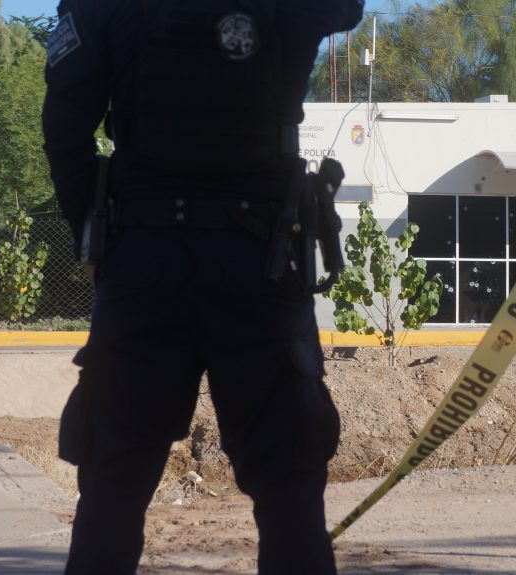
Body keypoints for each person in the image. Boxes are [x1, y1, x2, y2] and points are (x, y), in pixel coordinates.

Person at [41, 1, 363, 573]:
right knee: (289, 485)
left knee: (114, 481)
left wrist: (90, 237)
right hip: (261, 265)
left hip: (142, 260)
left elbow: (66, 129)